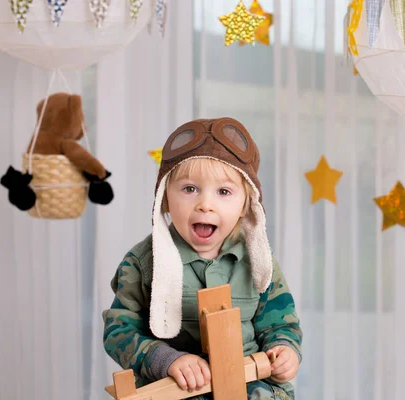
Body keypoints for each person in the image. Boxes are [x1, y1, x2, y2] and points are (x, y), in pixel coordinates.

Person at [102, 118, 302, 399]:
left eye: (223, 192)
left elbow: (280, 323)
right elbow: (118, 331)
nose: (205, 204)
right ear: (166, 199)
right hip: (177, 389)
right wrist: (165, 360)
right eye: (190, 189)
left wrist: (285, 349)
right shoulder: (142, 263)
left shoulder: (259, 261)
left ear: (246, 204)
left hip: (249, 384)